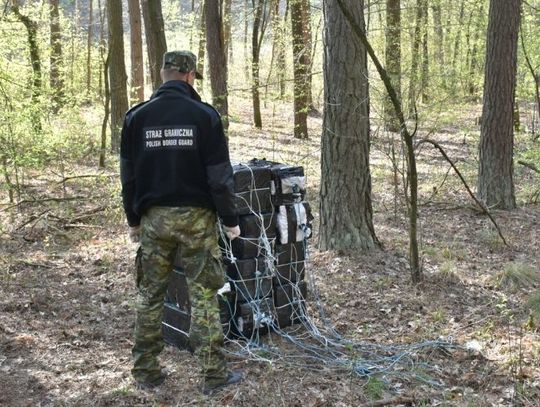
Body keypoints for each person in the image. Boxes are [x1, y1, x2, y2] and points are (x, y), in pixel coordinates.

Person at [120, 50, 243, 394]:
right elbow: (220, 177)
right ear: (189, 76)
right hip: (197, 220)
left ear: (164, 74)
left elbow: (127, 177)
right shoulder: (205, 116)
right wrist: (231, 220)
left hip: (154, 219)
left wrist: (133, 219)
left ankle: (145, 370)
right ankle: (213, 376)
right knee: (203, 293)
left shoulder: (136, 117)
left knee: (150, 294)